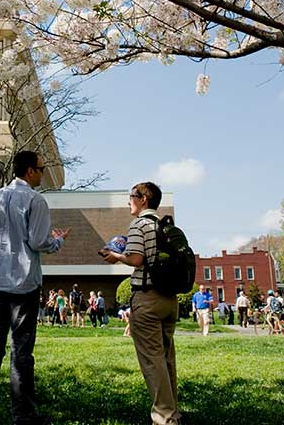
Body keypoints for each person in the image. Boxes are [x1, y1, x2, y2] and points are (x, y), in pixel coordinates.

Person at [0, 150, 69, 425]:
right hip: (25, 283)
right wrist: (58, 241)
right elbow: (39, 242)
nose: (42, 173)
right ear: (30, 171)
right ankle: (23, 414)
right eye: (41, 168)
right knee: (21, 350)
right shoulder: (35, 200)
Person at [101, 181, 180, 425]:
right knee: (166, 358)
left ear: (142, 199)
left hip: (147, 299)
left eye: (131, 197)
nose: (128, 202)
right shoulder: (165, 226)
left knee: (152, 360)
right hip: (169, 299)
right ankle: (172, 411)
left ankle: (165, 417)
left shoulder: (140, 225)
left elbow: (136, 259)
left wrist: (115, 256)